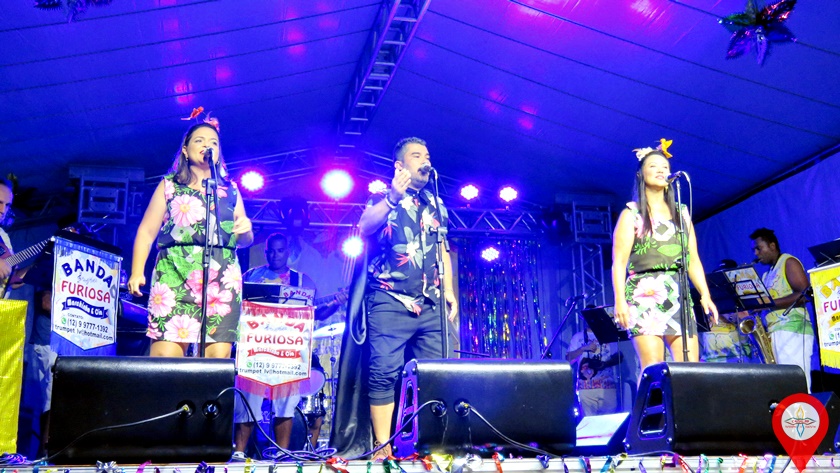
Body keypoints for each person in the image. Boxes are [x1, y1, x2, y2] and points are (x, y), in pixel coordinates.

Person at [357, 136, 458, 460]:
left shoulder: (435, 202)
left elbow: (443, 248)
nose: (425, 160)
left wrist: (450, 290)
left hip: (430, 302)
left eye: (427, 155)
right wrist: (392, 197)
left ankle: (434, 442)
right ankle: (382, 445)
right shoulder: (381, 195)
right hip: (390, 298)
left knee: (440, 369)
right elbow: (364, 227)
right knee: (384, 371)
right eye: (417, 155)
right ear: (400, 166)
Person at [128, 122, 253, 358]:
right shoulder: (170, 185)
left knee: (215, 363)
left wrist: (246, 230)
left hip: (221, 280)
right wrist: (137, 272)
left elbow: (244, 239)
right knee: (166, 360)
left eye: (213, 142)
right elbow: (147, 231)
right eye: (199, 140)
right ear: (185, 150)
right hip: (174, 274)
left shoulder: (230, 190)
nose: (207, 145)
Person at [232, 232, 346, 459]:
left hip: (288, 351)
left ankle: (282, 452)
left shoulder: (302, 281)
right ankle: (239, 452)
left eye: (280, 250)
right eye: (271, 251)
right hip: (256, 350)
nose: (275, 255)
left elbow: (317, 314)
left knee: (285, 403)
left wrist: (335, 303)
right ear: (265, 252)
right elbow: (236, 307)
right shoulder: (251, 276)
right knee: (247, 401)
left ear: (288, 252)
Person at [612, 140, 718, 378]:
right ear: (641, 174)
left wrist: (705, 295)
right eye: (653, 166)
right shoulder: (631, 214)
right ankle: (652, 405)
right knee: (654, 369)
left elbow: (692, 259)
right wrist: (620, 301)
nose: (661, 170)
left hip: (678, 293)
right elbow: (618, 262)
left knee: (690, 370)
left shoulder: (681, 212)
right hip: (643, 293)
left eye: (665, 167)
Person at [750, 228, 814, 390]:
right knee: (784, 388)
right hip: (775, 332)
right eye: (754, 250)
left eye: (759, 248)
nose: (756, 253)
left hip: (793, 330)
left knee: (797, 386)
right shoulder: (766, 275)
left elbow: (805, 294)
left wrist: (767, 304)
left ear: (772, 246)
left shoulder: (788, 262)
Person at [566, 326, 620, 416]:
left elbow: (618, 357)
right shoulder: (578, 337)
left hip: (607, 387)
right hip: (585, 389)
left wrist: (603, 364)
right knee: (588, 421)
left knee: (608, 422)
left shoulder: (608, 336)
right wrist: (582, 349)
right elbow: (568, 359)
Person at [0, 178, 15, 294]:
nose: (3, 210)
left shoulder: (3, 236)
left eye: (7, 205)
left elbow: (13, 282)